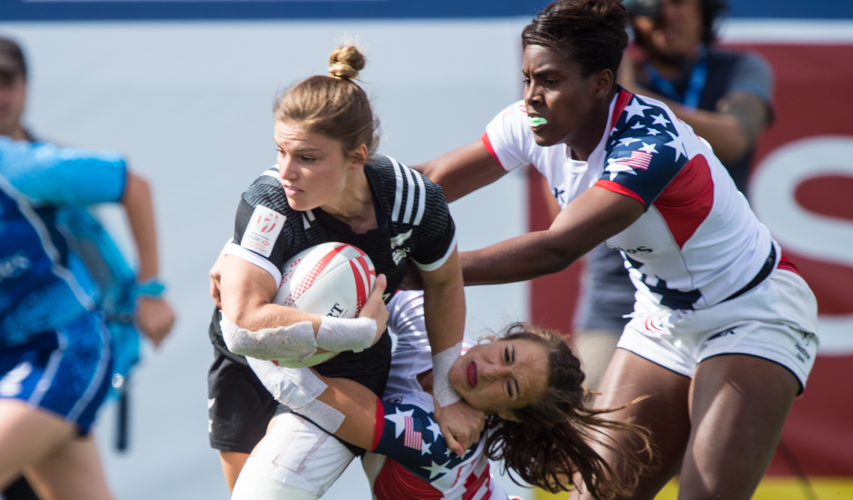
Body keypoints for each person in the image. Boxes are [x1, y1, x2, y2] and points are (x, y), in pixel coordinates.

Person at [412, 1, 819, 499]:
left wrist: (423, 272)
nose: (533, 98)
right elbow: (427, 184)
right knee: (597, 495)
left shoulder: (648, 144)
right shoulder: (532, 120)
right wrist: (340, 203)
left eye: (551, 80)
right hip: (664, 316)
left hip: (755, 311)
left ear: (601, 83)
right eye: (527, 79)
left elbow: (556, 248)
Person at [207, 44, 480, 493]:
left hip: (343, 373)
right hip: (251, 363)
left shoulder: (413, 202)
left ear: (357, 156)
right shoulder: (269, 199)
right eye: (280, 151)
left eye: (307, 158)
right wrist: (357, 331)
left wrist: (448, 397)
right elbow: (242, 327)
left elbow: (445, 282)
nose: (286, 171)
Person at [228, 290, 650, 500]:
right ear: (498, 337)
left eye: (508, 386)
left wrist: (238, 321)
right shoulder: (442, 337)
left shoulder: (441, 442)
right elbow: (386, 277)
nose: (487, 370)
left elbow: (311, 394)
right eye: (505, 354)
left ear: (513, 415)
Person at [0, 37, 175, 500]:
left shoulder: (21, 166)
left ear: (25, 87)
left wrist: (150, 290)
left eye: (7, 81)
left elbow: (134, 186)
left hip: (61, 351)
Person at [575, 0, 775, 390]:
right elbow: (569, 208)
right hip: (619, 295)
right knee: (596, 433)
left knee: (714, 440)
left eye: (679, 2)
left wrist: (630, 97)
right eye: (652, 6)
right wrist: (602, 72)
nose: (666, 15)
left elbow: (735, 136)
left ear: (705, 10)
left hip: (722, 287)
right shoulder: (604, 81)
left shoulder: (739, 69)